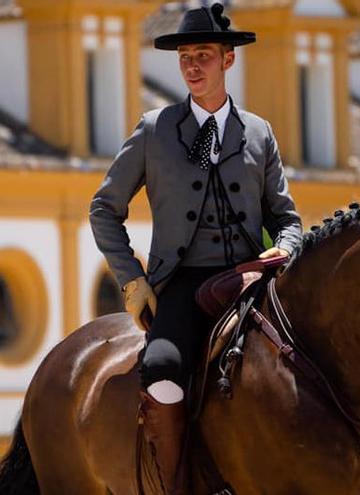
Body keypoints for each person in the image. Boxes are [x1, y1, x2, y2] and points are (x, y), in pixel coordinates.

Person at [89, 3, 302, 493]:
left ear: (228, 60)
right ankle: (178, 486)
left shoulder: (258, 132)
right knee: (162, 370)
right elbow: (104, 209)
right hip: (183, 282)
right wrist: (133, 278)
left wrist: (285, 249)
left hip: (251, 278)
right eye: (184, 56)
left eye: (202, 55)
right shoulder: (153, 130)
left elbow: (287, 219)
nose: (191, 66)